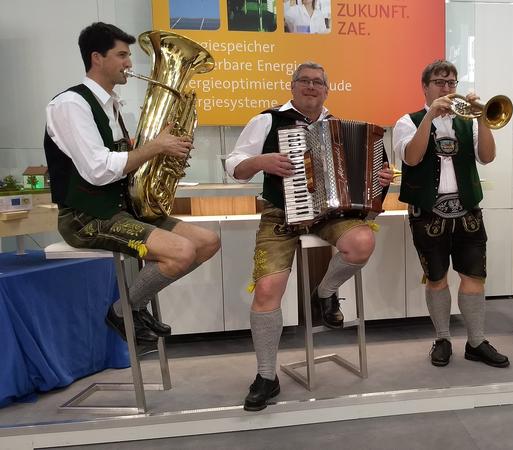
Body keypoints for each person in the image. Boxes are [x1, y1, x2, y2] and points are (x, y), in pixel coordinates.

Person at [225, 62, 393, 411]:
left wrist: (382, 176)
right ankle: (266, 376)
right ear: (293, 85)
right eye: (305, 80)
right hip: (280, 212)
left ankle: (325, 292)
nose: (312, 87)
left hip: (330, 213)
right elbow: (235, 166)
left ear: (327, 90)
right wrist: (262, 162)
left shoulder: (337, 126)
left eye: (319, 82)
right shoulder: (268, 120)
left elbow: (372, 176)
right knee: (269, 288)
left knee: (362, 243)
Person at [43, 22, 221, 347]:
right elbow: (98, 170)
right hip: (87, 218)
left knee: (208, 241)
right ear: (97, 58)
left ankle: (134, 306)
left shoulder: (113, 105)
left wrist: (168, 154)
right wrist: (155, 147)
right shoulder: (71, 105)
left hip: (123, 209)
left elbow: (125, 163)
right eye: (122, 55)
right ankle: (122, 312)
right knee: (181, 252)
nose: (129, 63)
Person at [392, 59, 509, 369]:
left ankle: (476, 341)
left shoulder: (467, 121)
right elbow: (413, 158)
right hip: (428, 212)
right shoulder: (408, 120)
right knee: (437, 279)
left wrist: (482, 118)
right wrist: (430, 116)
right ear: (425, 87)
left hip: (467, 208)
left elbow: (487, 156)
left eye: (451, 83)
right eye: (440, 82)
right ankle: (442, 337)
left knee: (474, 277)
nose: (447, 88)